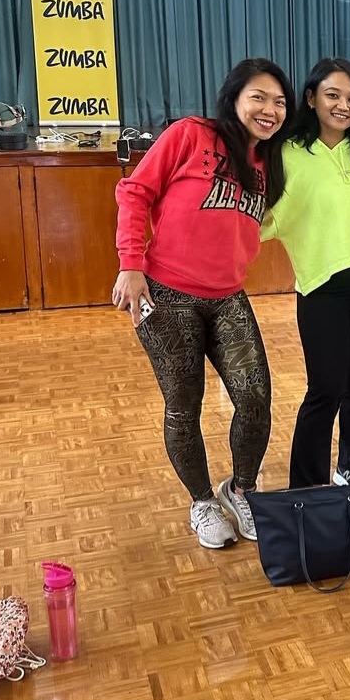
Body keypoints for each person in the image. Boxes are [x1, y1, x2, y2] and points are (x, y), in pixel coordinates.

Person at [112, 58, 294, 549]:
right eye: (258, 97)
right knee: (183, 406)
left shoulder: (271, 161)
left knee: (255, 400)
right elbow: (134, 192)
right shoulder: (191, 135)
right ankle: (202, 501)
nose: (269, 109)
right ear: (233, 98)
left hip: (228, 296)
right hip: (165, 295)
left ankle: (242, 489)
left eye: (280, 102)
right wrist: (130, 263)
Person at [262, 59, 350, 489]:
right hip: (322, 288)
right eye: (333, 95)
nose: (343, 105)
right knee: (325, 390)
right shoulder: (283, 152)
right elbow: (258, 217)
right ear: (310, 98)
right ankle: (307, 489)